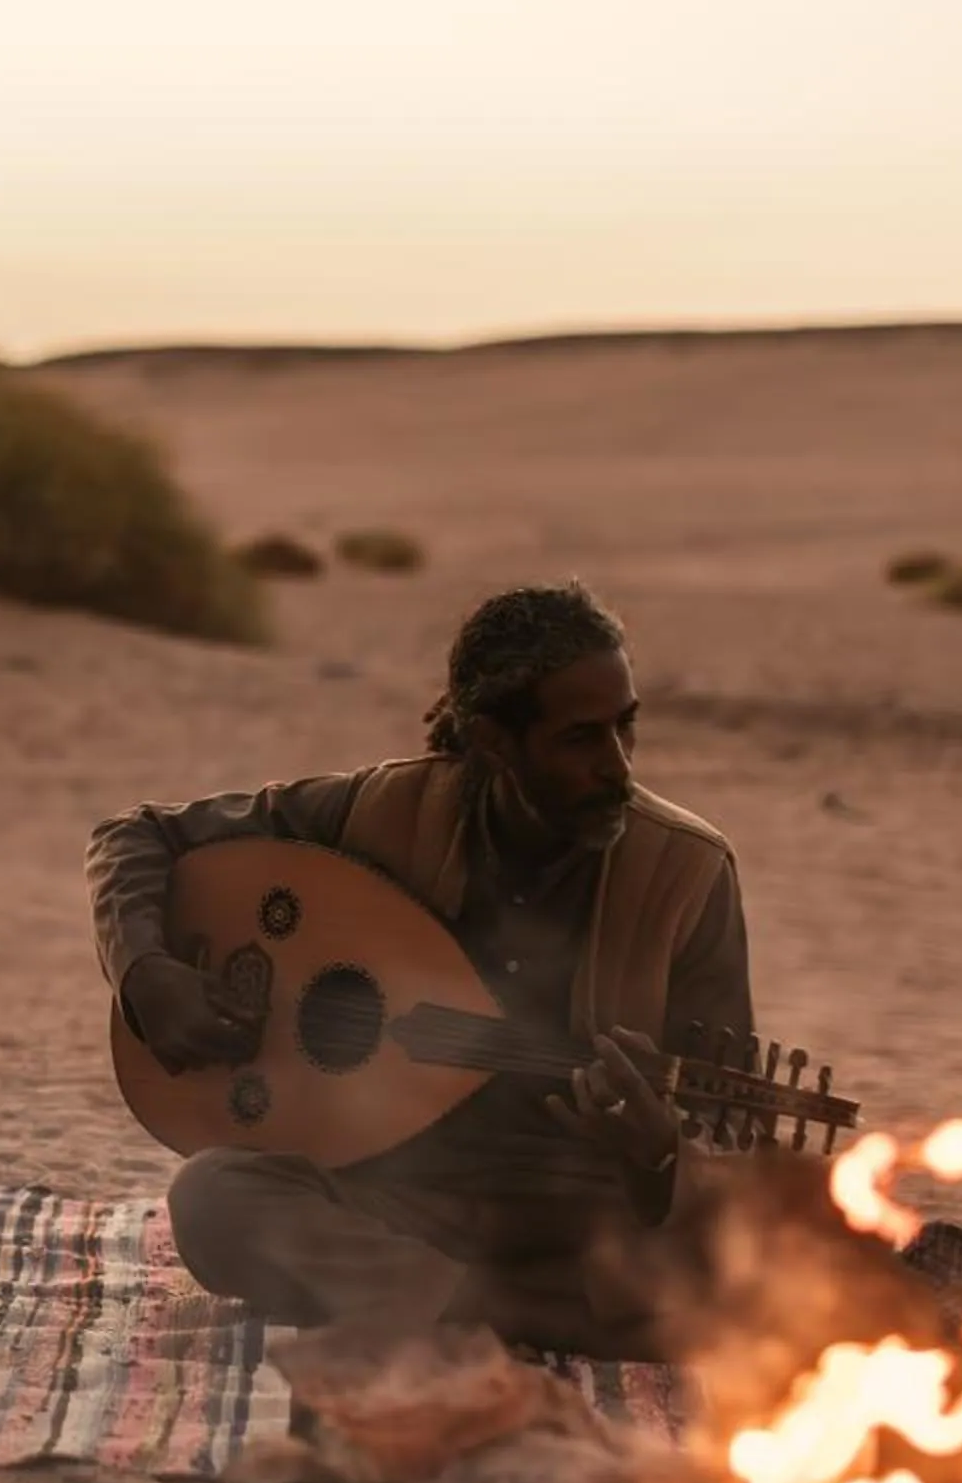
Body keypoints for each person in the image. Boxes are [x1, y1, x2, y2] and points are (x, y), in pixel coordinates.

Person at [84, 582, 754, 1358]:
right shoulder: (380, 812)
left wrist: (657, 1149)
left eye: (625, 728)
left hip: (578, 1209)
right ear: (492, 740)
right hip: (396, 1189)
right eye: (580, 738)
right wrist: (146, 974)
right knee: (212, 1198)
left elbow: (732, 1130)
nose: (617, 766)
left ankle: (438, 1299)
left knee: (726, 1269)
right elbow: (135, 837)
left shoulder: (687, 872)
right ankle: (510, 1311)